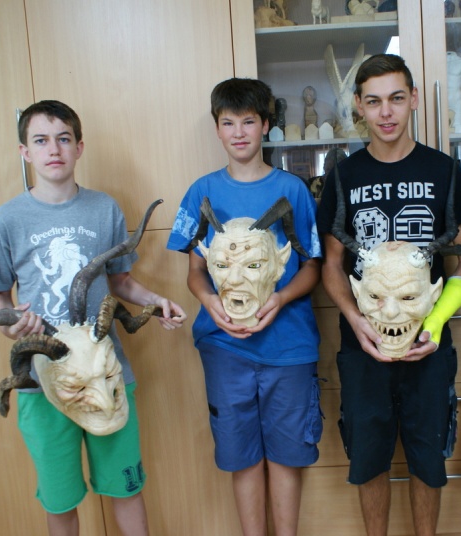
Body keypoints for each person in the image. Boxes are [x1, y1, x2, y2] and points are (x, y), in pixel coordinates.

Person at [0, 99, 187, 536]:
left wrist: (156, 301)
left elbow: (120, 281)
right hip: (42, 383)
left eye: (63, 139)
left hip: (106, 374)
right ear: (25, 152)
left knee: (126, 488)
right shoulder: (5, 220)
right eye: (41, 140)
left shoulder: (104, 209)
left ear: (79, 147)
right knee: (59, 499)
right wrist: (10, 324)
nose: (53, 149)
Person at [317, 54, 461, 536]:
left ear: (414, 100)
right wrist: (355, 321)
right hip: (363, 345)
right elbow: (331, 265)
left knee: (428, 459)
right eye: (373, 101)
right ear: (358, 106)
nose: (385, 112)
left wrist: (435, 324)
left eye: (395, 98)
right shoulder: (343, 176)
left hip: (429, 344)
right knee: (369, 460)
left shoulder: (444, 170)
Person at [166, 77, 323, 536]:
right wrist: (209, 302)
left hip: (288, 346)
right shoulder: (202, 193)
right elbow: (195, 272)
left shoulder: (293, 190)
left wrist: (280, 297)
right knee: (241, 456)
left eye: (249, 122)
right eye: (228, 123)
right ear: (217, 128)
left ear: (266, 125)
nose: (239, 133)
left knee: (287, 456)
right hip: (225, 347)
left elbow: (312, 269)